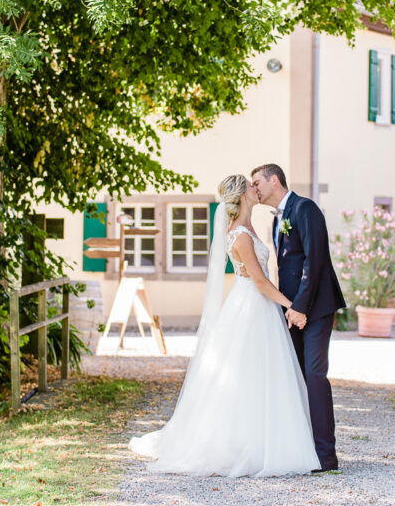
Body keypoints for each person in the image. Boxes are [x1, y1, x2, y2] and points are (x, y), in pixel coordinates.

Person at [128, 174, 320, 477]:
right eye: (251, 185)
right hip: (251, 305)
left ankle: (263, 439)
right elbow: (258, 280)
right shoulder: (240, 234)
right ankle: (244, 445)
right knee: (248, 373)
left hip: (259, 306)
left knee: (260, 375)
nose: (256, 189)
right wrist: (291, 305)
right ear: (243, 194)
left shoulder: (250, 227)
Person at [250, 163, 346, 472]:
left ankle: (325, 456)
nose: (254, 189)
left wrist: (301, 307)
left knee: (315, 377)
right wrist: (291, 309)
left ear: (274, 180)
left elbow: (314, 262)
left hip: (316, 308)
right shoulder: (278, 218)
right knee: (295, 378)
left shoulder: (306, 209)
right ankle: (302, 449)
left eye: (257, 182)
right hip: (292, 309)